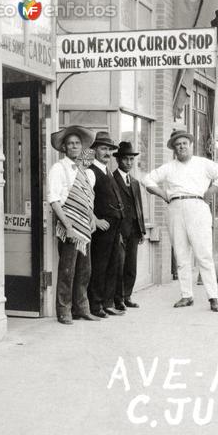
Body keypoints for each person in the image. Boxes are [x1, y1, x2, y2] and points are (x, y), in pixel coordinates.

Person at [142, 130, 218, 312]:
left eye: (184, 143)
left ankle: (213, 297)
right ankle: (186, 295)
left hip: (197, 206)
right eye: (178, 145)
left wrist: (211, 191)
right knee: (181, 255)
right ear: (174, 149)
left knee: (203, 254)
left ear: (191, 145)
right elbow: (147, 179)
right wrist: (163, 194)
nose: (181, 147)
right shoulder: (169, 167)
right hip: (175, 207)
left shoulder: (203, 163)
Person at [47, 125, 98, 325]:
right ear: (64, 148)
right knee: (68, 269)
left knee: (85, 270)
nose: (74, 147)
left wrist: (92, 218)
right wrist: (67, 226)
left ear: (82, 146)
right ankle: (64, 310)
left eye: (77, 143)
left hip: (85, 226)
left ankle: (81, 308)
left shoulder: (86, 171)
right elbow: (54, 200)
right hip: (69, 225)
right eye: (70, 144)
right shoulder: (58, 168)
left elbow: (87, 199)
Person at [87, 131, 125, 318]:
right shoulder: (90, 171)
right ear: (94, 150)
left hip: (114, 227)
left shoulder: (107, 171)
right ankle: (95, 306)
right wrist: (95, 219)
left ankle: (107, 303)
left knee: (113, 265)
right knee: (99, 266)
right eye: (103, 148)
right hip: (101, 228)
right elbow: (84, 199)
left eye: (109, 149)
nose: (107, 153)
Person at [112, 141, 146, 309]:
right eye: (125, 159)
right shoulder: (112, 179)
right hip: (118, 230)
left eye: (131, 159)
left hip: (133, 230)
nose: (128, 162)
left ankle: (127, 296)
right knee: (119, 264)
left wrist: (142, 230)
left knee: (131, 265)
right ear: (118, 160)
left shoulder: (134, 182)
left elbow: (138, 206)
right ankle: (117, 299)